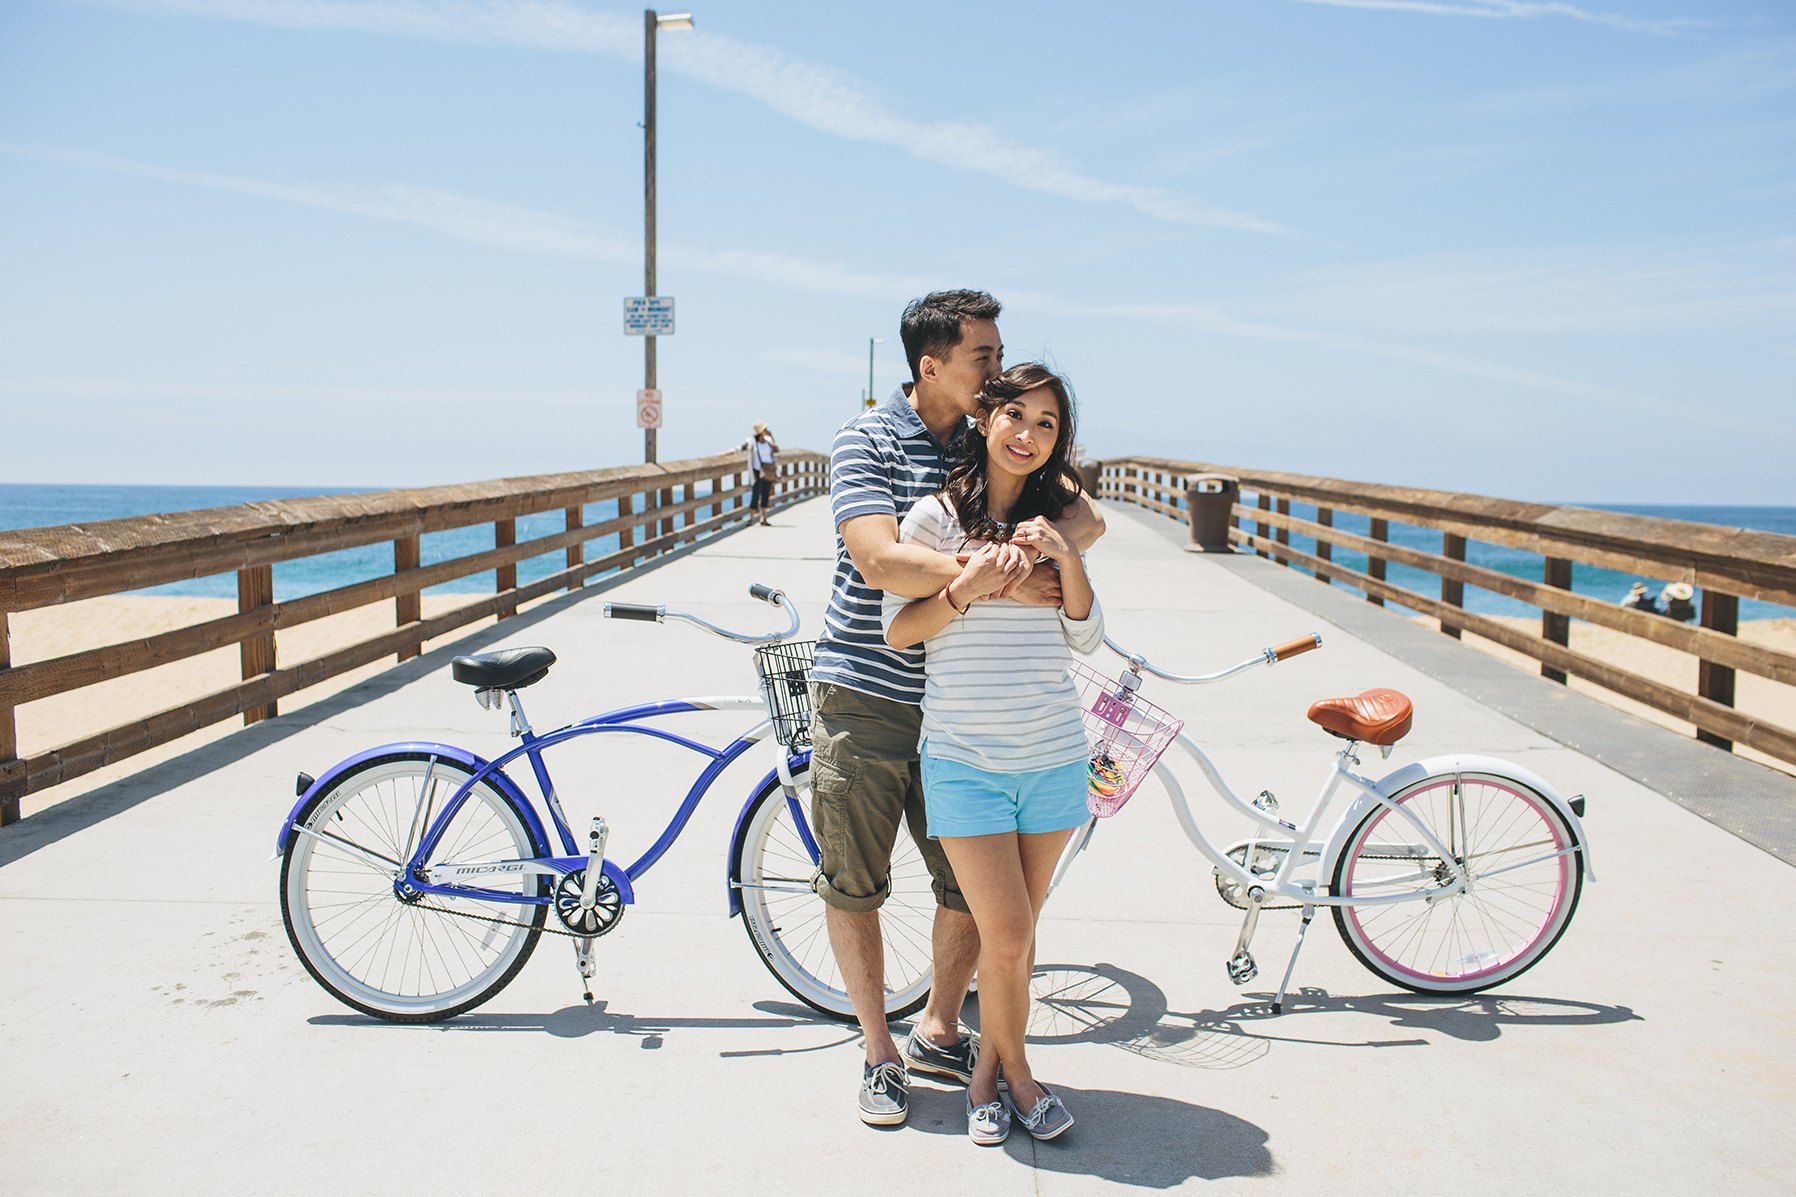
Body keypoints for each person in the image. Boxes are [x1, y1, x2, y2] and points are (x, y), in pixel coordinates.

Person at [809, 290, 1106, 1127]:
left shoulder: (994, 435)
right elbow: (879, 561)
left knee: (965, 891)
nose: (995, 370)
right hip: (868, 688)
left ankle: (940, 1024)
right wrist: (996, 572)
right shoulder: (866, 438)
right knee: (856, 879)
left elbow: (1082, 513)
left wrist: (1027, 555)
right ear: (931, 364)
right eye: (984, 356)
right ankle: (877, 1049)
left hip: (963, 711)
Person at [882, 363, 1097, 1146]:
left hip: (1052, 756)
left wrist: (1066, 561)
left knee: (1020, 937)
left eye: (1046, 424)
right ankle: (1022, 1076)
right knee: (1004, 934)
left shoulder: (1056, 525)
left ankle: (985, 1078)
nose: (1027, 434)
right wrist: (967, 588)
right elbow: (897, 630)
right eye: (1015, 415)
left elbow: (1085, 633)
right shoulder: (934, 519)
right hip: (965, 759)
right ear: (985, 419)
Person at [746, 421, 779, 526]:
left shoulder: (768, 441)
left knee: (766, 494)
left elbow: (776, 449)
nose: (766, 431)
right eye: (764, 429)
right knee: (755, 494)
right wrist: (724, 454)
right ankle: (751, 518)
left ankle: (763, 518)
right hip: (758, 471)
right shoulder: (752, 442)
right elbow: (738, 448)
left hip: (768, 470)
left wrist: (772, 437)